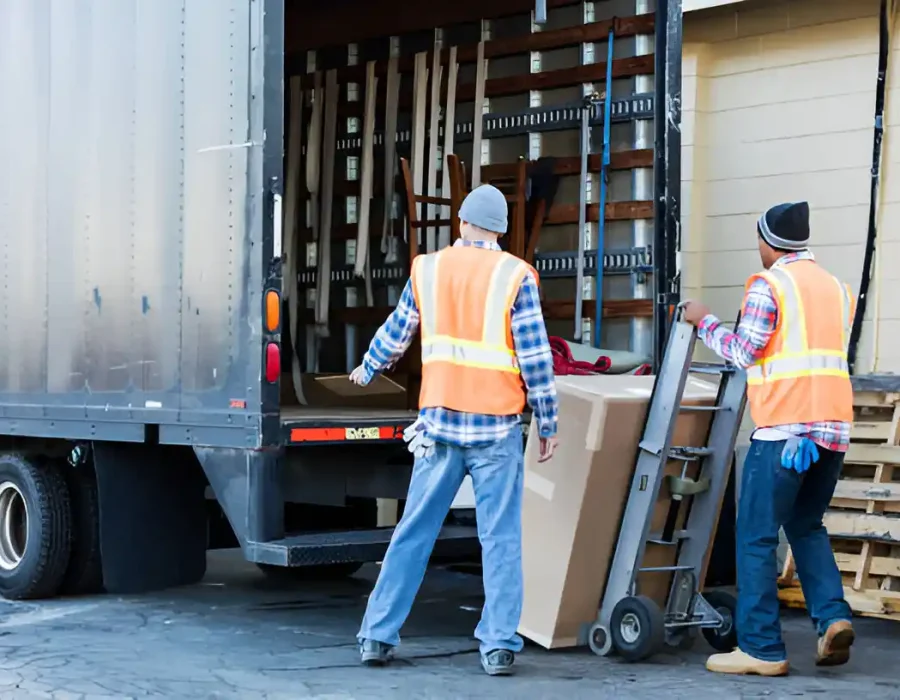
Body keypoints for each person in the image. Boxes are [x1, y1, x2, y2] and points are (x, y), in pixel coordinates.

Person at [351, 184, 559, 676]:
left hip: (439, 428)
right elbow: (535, 358)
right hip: (496, 431)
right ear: (502, 230)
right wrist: (548, 420)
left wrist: (367, 366)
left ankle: (377, 636)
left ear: (461, 222)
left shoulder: (429, 268)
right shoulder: (516, 276)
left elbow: (398, 330)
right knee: (501, 538)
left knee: (413, 533)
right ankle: (497, 645)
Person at [682, 201, 855, 677]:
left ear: (769, 242)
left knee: (756, 537)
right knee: (806, 527)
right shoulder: (836, 289)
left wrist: (703, 321)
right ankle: (833, 619)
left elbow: (743, 352)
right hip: (832, 433)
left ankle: (761, 648)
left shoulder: (770, 285)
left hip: (783, 433)